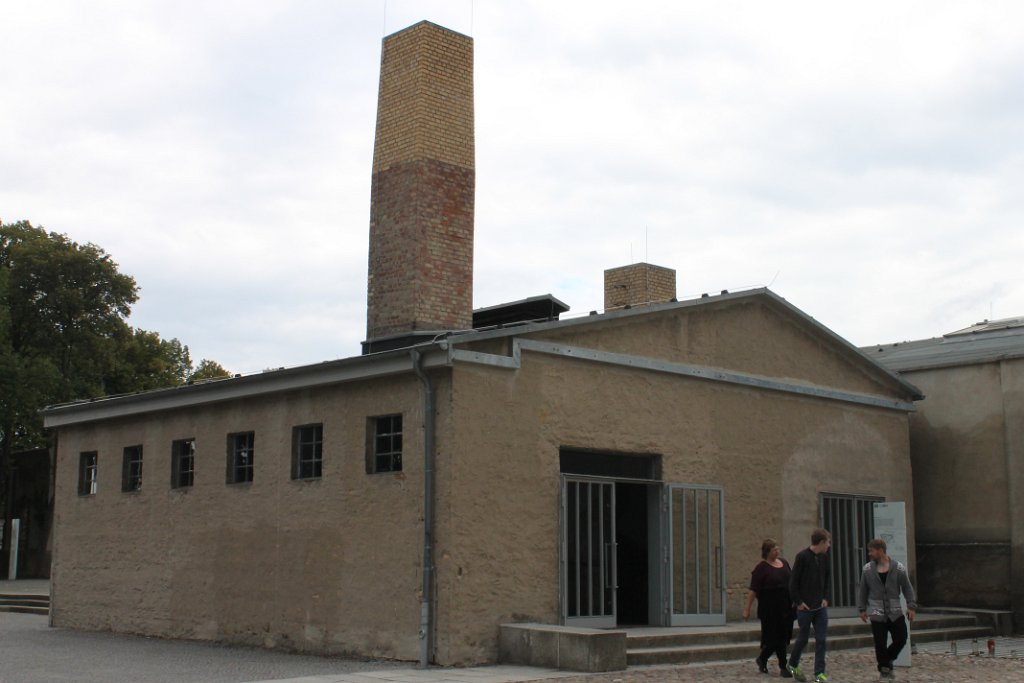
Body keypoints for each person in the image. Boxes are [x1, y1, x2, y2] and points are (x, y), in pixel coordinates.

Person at [857, 538, 917, 679]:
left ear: (880, 550)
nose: (869, 554)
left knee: (901, 638)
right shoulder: (867, 570)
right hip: (876, 612)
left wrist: (911, 606)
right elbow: (863, 590)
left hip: (895, 611)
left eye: (872, 551)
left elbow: (907, 588)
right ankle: (884, 669)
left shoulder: (898, 568)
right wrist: (862, 609)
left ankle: (887, 660)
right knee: (880, 643)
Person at [743, 539, 794, 677]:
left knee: (783, 637)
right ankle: (781, 666)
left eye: (778, 549)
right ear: (767, 552)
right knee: (773, 638)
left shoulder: (784, 563)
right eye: (774, 550)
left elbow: (792, 582)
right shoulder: (761, 568)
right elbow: (753, 590)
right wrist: (747, 608)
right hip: (769, 609)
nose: (777, 551)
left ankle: (764, 659)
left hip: (785, 606)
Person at [787, 528, 831, 682]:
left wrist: (826, 597)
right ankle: (792, 664)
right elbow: (793, 582)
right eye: (828, 542)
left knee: (821, 639)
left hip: (820, 607)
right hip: (805, 607)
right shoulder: (802, 557)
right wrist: (798, 602)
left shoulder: (824, 558)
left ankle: (819, 673)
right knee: (803, 638)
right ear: (821, 542)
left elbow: (827, 579)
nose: (829, 545)